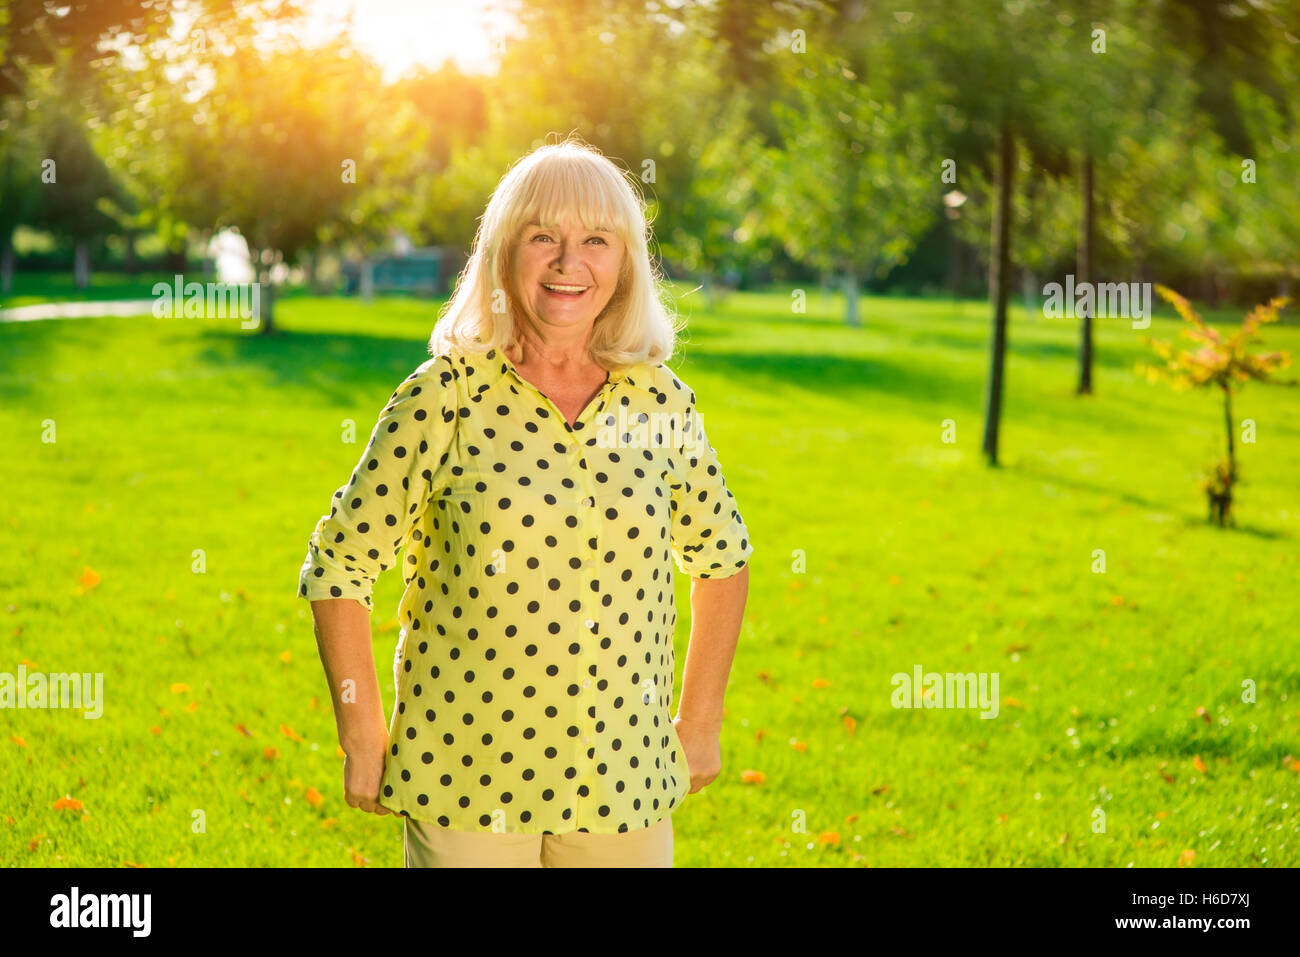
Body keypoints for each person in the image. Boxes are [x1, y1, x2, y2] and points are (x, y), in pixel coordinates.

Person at [297, 135, 753, 867]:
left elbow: (723, 557)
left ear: (626, 263)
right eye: (544, 237)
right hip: (464, 780)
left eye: (596, 240)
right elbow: (340, 563)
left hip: (624, 781)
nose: (570, 262)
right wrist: (361, 734)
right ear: (505, 253)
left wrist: (700, 721)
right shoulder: (444, 393)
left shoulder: (659, 400)